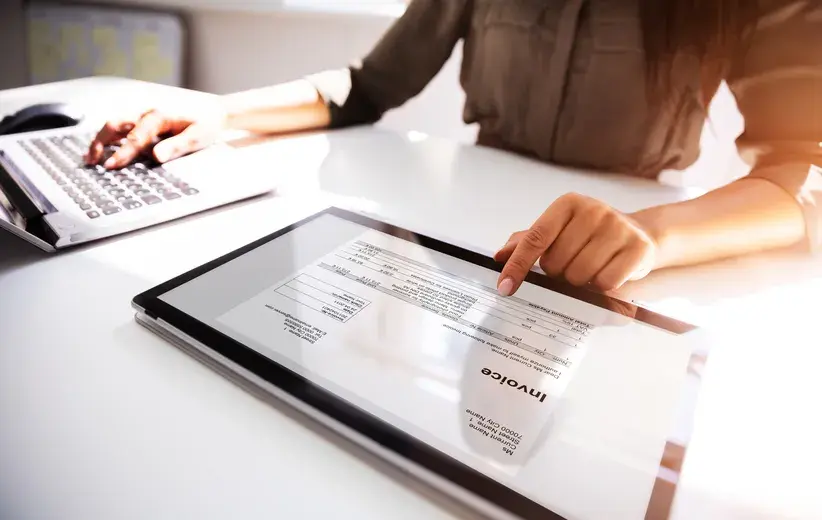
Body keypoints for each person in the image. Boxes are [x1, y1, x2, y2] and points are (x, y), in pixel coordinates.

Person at [85, 0, 822, 297]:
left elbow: (804, 168)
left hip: (624, 277)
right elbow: (368, 86)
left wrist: (651, 237)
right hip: (477, 250)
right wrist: (222, 112)